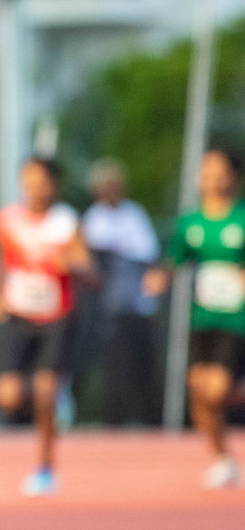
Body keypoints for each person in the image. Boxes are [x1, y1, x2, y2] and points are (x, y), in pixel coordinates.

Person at [0, 156, 94, 497]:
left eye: (42, 181)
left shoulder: (65, 223)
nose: (35, 188)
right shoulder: (8, 219)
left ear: (54, 185)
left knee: (45, 391)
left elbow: (92, 273)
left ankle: (45, 469)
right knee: (8, 395)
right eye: (28, 180)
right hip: (20, 317)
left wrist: (72, 264)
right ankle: (52, 395)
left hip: (57, 318)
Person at [143, 148, 245, 490]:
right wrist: (161, 278)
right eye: (206, 171)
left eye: (218, 171)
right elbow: (175, 259)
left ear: (233, 176)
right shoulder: (191, 222)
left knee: (217, 389)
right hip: (203, 319)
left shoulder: (242, 218)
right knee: (199, 391)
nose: (211, 178)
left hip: (237, 320)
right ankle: (222, 460)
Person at [80, 160, 160, 425]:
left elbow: (148, 254)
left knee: (141, 363)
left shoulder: (134, 214)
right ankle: (112, 417)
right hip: (107, 308)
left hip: (135, 305)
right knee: (112, 365)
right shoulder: (93, 218)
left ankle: (147, 416)